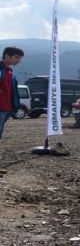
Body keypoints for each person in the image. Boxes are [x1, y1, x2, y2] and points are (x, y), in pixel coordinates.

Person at [0, 46, 24, 178]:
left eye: (20, 58)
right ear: (7, 56)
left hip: (6, 109)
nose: (18, 61)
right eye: (16, 57)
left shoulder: (9, 71)